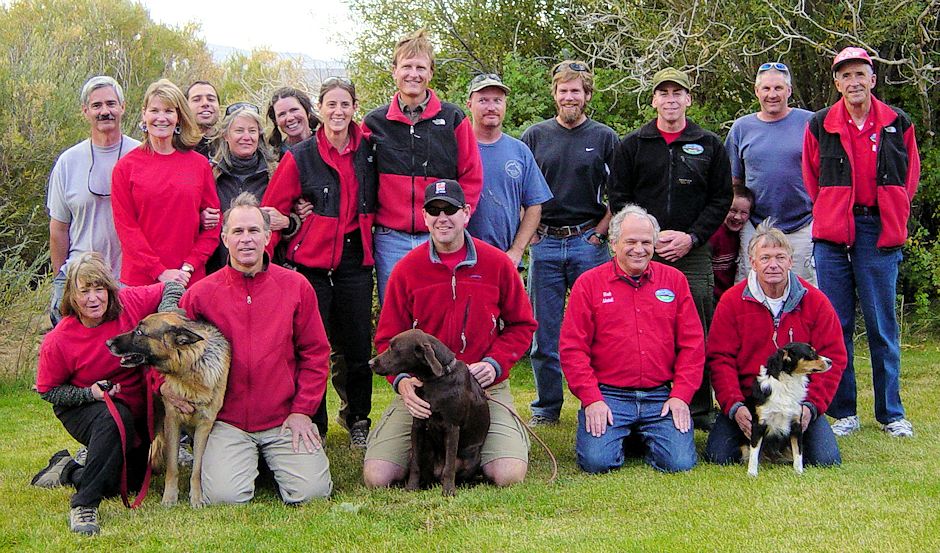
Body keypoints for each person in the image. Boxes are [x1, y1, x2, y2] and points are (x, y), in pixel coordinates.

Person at [363, 179, 537, 488]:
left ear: (466, 213)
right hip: (424, 389)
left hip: (484, 388)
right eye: (434, 210)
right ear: (425, 216)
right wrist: (402, 383)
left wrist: (495, 364)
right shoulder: (407, 270)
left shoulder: (497, 263)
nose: (443, 218)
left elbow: (522, 326)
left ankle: (491, 444)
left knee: (508, 475)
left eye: (451, 210)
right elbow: (386, 338)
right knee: (377, 477)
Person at [173, 192, 333, 504]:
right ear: (224, 238)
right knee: (224, 497)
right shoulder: (199, 295)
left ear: (268, 236)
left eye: (253, 231)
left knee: (313, 493)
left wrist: (303, 412)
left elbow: (315, 353)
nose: (246, 240)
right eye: (238, 232)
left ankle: (274, 461)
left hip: (283, 418)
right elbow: (170, 353)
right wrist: (170, 391)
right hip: (225, 420)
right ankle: (243, 461)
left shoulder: (296, 287)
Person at [802, 47, 920, 438]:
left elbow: (910, 177)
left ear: (872, 79)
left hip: (878, 229)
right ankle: (844, 412)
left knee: (882, 325)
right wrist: (833, 212)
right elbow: (811, 177)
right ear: (837, 83)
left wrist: (893, 211)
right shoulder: (820, 124)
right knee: (837, 325)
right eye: (845, 76)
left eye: (860, 75)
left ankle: (891, 413)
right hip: (833, 234)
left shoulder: (896, 121)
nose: (853, 82)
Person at [606, 67, 732, 428]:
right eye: (663, 93)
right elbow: (619, 197)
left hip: (692, 252)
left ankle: (699, 410)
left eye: (677, 92)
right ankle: (649, 403)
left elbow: (721, 198)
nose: (670, 99)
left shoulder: (709, 145)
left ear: (688, 99)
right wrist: (648, 238)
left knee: (697, 330)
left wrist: (691, 237)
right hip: (641, 252)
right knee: (643, 329)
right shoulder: (632, 145)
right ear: (653, 100)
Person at [262, 77, 378, 447]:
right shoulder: (301, 156)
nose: (338, 112)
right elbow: (272, 213)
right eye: (331, 105)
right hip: (310, 265)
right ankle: (315, 423)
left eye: (345, 104)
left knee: (358, 347)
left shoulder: (370, 150)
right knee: (313, 348)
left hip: (355, 258)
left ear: (354, 107)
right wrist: (264, 262)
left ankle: (358, 418)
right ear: (320, 109)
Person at [32, 252, 182, 535]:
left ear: (110, 290)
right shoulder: (59, 340)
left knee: (124, 483)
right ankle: (84, 505)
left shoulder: (130, 304)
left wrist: (166, 318)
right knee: (114, 420)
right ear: (71, 296)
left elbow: (172, 285)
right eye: (84, 290)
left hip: (136, 411)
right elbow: (49, 391)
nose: (93, 298)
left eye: (99, 288)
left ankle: (66, 469)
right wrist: (89, 394)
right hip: (84, 407)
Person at [559, 204, 703, 473]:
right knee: (596, 463)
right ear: (613, 244)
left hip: (660, 396)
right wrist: (592, 399)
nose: (639, 249)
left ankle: (636, 435)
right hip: (609, 395)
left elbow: (692, 346)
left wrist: (681, 396)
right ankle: (626, 434)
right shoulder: (588, 284)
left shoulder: (675, 281)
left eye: (646, 242)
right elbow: (573, 349)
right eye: (631, 242)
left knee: (679, 463)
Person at [521, 60, 618, 426]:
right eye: (563, 90)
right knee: (543, 333)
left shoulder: (604, 138)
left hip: (587, 243)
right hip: (545, 242)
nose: (569, 96)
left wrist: (599, 233)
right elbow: (523, 193)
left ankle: (598, 401)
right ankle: (547, 407)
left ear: (587, 96)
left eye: (576, 90)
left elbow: (619, 193)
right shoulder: (535, 136)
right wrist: (528, 235)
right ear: (555, 95)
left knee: (597, 330)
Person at [705, 222, 847, 466]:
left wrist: (812, 407)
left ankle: (787, 446)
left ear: (791, 261)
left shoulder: (816, 301)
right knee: (719, 456)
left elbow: (834, 356)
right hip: (752, 401)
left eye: (781, 257)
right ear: (752, 261)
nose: (773, 265)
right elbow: (720, 359)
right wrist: (734, 405)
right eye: (765, 257)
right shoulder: (731, 302)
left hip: (797, 403)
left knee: (826, 459)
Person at [362, 29, 483, 303]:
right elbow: (356, 177)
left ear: (431, 73)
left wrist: (458, 220)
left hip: (443, 233)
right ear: (394, 71)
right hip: (391, 238)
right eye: (406, 66)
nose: (413, 74)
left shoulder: (453, 118)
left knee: (443, 309)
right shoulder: (373, 123)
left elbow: (471, 175)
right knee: (397, 313)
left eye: (420, 67)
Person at [47, 76, 140, 327]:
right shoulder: (68, 162)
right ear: (85, 111)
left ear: (123, 107)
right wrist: (61, 280)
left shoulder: (142, 155)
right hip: (82, 282)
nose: (105, 111)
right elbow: (58, 228)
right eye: (97, 106)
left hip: (130, 280)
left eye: (111, 103)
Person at [111, 78, 221, 288]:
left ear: (179, 117)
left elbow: (213, 226)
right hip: (140, 283)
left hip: (189, 281)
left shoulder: (199, 166)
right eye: (154, 110)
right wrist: (159, 271)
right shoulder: (125, 168)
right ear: (144, 114)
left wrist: (189, 267)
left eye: (169, 111)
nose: (161, 118)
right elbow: (126, 229)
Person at [725, 62, 816, 283]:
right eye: (766, 89)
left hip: (802, 224)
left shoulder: (811, 122)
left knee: (803, 291)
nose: (772, 95)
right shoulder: (741, 128)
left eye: (778, 88)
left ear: (789, 91)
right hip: (756, 225)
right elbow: (734, 180)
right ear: (757, 92)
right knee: (751, 289)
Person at [464, 73, 552, 265]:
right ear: (469, 104)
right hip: (463, 261)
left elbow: (534, 206)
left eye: (497, 100)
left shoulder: (519, 151)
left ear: (505, 105)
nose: (491, 107)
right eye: (483, 100)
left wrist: (517, 250)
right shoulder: (456, 148)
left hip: (507, 262)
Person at [203, 102, 287, 274]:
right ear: (226, 135)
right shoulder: (210, 174)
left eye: (252, 131)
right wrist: (200, 217)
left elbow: (299, 213)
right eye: (239, 131)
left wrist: (288, 222)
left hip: (267, 272)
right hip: (218, 272)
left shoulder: (276, 173)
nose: (246, 137)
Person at [709, 186, 754, 303]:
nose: (737, 217)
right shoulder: (714, 235)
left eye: (743, 213)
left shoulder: (744, 237)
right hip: (713, 296)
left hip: (732, 294)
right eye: (733, 210)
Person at [266, 87, 318, 159]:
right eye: (282, 114)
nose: (290, 118)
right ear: (276, 121)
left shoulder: (328, 144)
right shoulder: (274, 159)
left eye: (294, 110)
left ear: (307, 111)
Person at [185, 81, 221, 158]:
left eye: (211, 99)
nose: (205, 103)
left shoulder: (230, 145)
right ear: (185, 107)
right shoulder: (175, 145)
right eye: (197, 100)